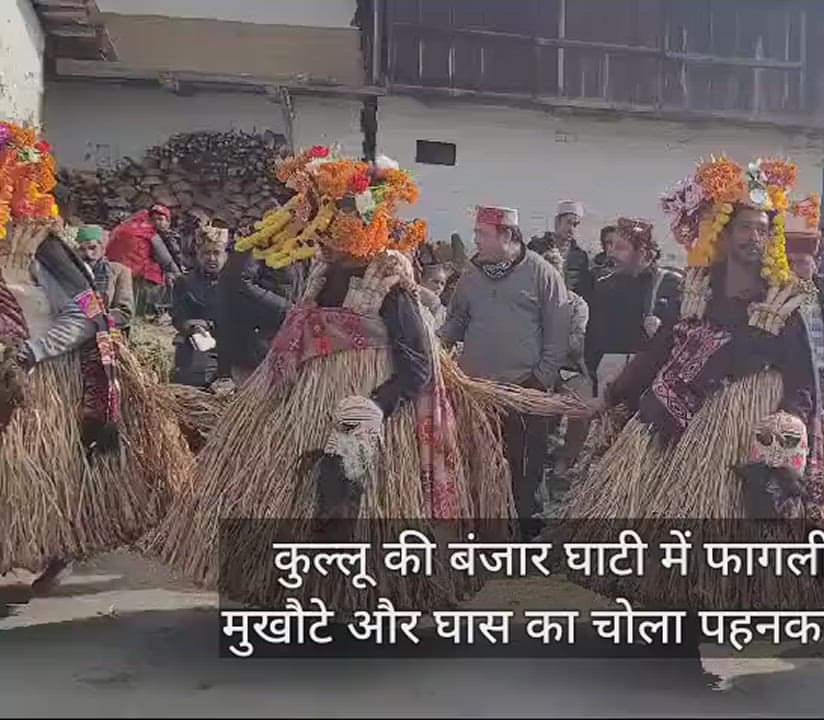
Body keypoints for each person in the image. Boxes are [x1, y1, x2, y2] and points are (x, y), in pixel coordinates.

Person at [144, 149, 536, 607]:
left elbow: (418, 366)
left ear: (357, 226)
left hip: (369, 411)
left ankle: (363, 598)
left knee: (357, 505)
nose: (317, 234)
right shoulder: (323, 274)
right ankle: (301, 592)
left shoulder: (392, 287)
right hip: (308, 407)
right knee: (302, 496)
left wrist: (378, 405)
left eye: (326, 223)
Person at [556, 155, 824, 614]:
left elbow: (805, 384)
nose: (755, 238)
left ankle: (719, 603)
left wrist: (788, 427)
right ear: (723, 233)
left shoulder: (783, 307)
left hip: (743, 430)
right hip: (677, 423)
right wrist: (614, 395)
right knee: (669, 520)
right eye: (745, 228)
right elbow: (661, 350)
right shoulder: (699, 293)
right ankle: (671, 608)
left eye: (763, 229)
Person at [0, 122, 189, 594]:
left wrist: (30, 352)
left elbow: (88, 313)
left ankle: (42, 548)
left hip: (37, 380)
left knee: (28, 474)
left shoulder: (43, 250)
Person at [442, 205, 570, 538]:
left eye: (482, 234)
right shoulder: (471, 275)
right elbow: (456, 321)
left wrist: (538, 381)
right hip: (476, 392)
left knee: (524, 467)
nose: (476, 240)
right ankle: (484, 532)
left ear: (507, 236)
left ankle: (525, 536)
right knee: (480, 460)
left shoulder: (542, 274)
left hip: (524, 391)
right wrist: (436, 350)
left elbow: (558, 334)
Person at [585, 217, 682, 396]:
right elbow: (593, 340)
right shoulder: (603, 286)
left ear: (644, 253)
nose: (611, 253)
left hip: (649, 386)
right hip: (607, 385)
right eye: (611, 246)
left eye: (620, 248)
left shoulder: (670, 285)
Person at [530, 245, 590, 515]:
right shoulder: (528, 303)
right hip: (534, 368)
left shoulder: (576, 304)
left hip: (568, 368)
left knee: (582, 400)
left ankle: (567, 459)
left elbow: (577, 343)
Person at [217, 237, 306, 385]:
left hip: (284, 343)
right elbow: (238, 283)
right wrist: (287, 309)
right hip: (255, 344)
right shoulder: (261, 240)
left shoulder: (305, 244)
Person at [786, 227, 824, 401]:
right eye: (788, 263)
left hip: (823, 394)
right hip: (789, 392)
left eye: (801, 262)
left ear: (817, 263)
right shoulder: (774, 301)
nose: (793, 270)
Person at [170, 226, 229, 388]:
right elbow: (178, 315)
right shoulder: (185, 282)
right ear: (198, 254)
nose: (211, 258)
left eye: (216, 253)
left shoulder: (237, 284)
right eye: (206, 253)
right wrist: (190, 325)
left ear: (225, 255)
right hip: (196, 342)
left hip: (229, 344)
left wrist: (211, 324)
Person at [105, 205, 181, 320]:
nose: (157, 223)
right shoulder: (149, 232)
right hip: (138, 278)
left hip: (112, 272)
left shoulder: (126, 226)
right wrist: (182, 279)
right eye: (154, 219)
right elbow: (167, 261)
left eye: (160, 219)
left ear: (168, 221)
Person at [74, 224, 134, 333]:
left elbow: (125, 313)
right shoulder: (72, 273)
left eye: (92, 248)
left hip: (108, 332)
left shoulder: (119, 271)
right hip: (74, 329)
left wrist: (97, 318)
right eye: (82, 249)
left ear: (102, 248)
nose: (88, 254)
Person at [529, 200, 592, 299]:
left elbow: (584, 289)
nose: (571, 229)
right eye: (568, 223)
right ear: (557, 222)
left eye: (575, 225)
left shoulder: (580, 256)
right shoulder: (537, 247)